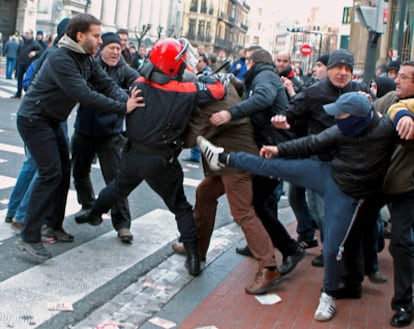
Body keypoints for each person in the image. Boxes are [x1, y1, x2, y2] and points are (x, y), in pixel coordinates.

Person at [198, 91, 398, 321]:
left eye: (340, 115)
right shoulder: (342, 128)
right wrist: (280, 149)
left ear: (356, 118)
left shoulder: (385, 129)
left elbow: (403, 118)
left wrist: (404, 115)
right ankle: (225, 158)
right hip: (328, 174)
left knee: (332, 248)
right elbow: (312, 143)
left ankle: (329, 295)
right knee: (275, 166)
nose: (336, 120)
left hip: (347, 195)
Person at [75, 38, 226, 277]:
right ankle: (194, 257)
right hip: (162, 160)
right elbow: (218, 89)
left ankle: (94, 214)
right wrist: (202, 77)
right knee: (180, 207)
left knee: (116, 188)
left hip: (134, 154)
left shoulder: (138, 84)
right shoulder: (185, 90)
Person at [15, 13, 143, 261]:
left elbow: (106, 84)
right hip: (34, 119)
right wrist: (122, 107)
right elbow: (84, 94)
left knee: (63, 171)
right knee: (50, 173)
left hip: (52, 119)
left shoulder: (86, 59)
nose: (99, 41)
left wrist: (126, 100)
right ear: (80, 35)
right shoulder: (60, 58)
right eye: (96, 36)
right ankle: (29, 235)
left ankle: (53, 225)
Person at [173, 78, 288, 293]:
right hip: (231, 159)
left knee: (242, 212)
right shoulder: (224, 88)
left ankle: (269, 266)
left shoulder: (206, 106)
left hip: (236, 160)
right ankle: (197, 248)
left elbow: (190, 138)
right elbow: (238, 84)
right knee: (205, 193)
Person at [209, 47, 304, 269]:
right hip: (272, 149)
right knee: (260, 202)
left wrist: (229, 113)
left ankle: (290, 249)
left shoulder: (265, 76)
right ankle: (260, 245)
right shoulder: (262, 77)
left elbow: (263, 97)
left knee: (256, 203)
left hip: (277, 151)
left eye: (245, 61)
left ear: (251, 61)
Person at [273, 49, 370, 267]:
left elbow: (373, 119)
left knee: (342, 213)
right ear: (329, 69)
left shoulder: (358, 90)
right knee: (319, 211)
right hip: (320, 160)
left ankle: (346, 258)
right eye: (338, 68)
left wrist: (370, 102)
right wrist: (284, 120)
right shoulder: (313, 92)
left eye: (347, 69)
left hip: (349, 162)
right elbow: (293, 113)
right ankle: (331, 252)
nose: (343, 73)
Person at [71, 32, 140, 243]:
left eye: (119, 49)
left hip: (110, 134)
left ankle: (123, 225)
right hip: (84, 129)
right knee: (79, 171)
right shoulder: (89, 66)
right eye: (112, 48)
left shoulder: (126, 72)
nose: (115, 52)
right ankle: (90, 206)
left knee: (116, 180)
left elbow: (139, 87)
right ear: (101, 49)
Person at [366, 61, 414, 327]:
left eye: (404, 78)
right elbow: (372, 116)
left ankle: (404, 303)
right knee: (358, 224)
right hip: (378, 182)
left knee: (401, 243)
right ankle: (354, 277)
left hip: (405, 187)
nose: (397, 81)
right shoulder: (391, 99)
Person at [11, 29, 43, 99]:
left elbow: (41, 51)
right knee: (19, 78)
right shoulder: (22, 42)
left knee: (28, 79)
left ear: (31, 34)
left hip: (29, 63)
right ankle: (18, 93)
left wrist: (35, 53)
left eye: (28, 33)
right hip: (21, 63)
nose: (27, 35)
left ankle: (28, 94)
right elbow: (18, 52)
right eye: (26, 33)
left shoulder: (35, 43)